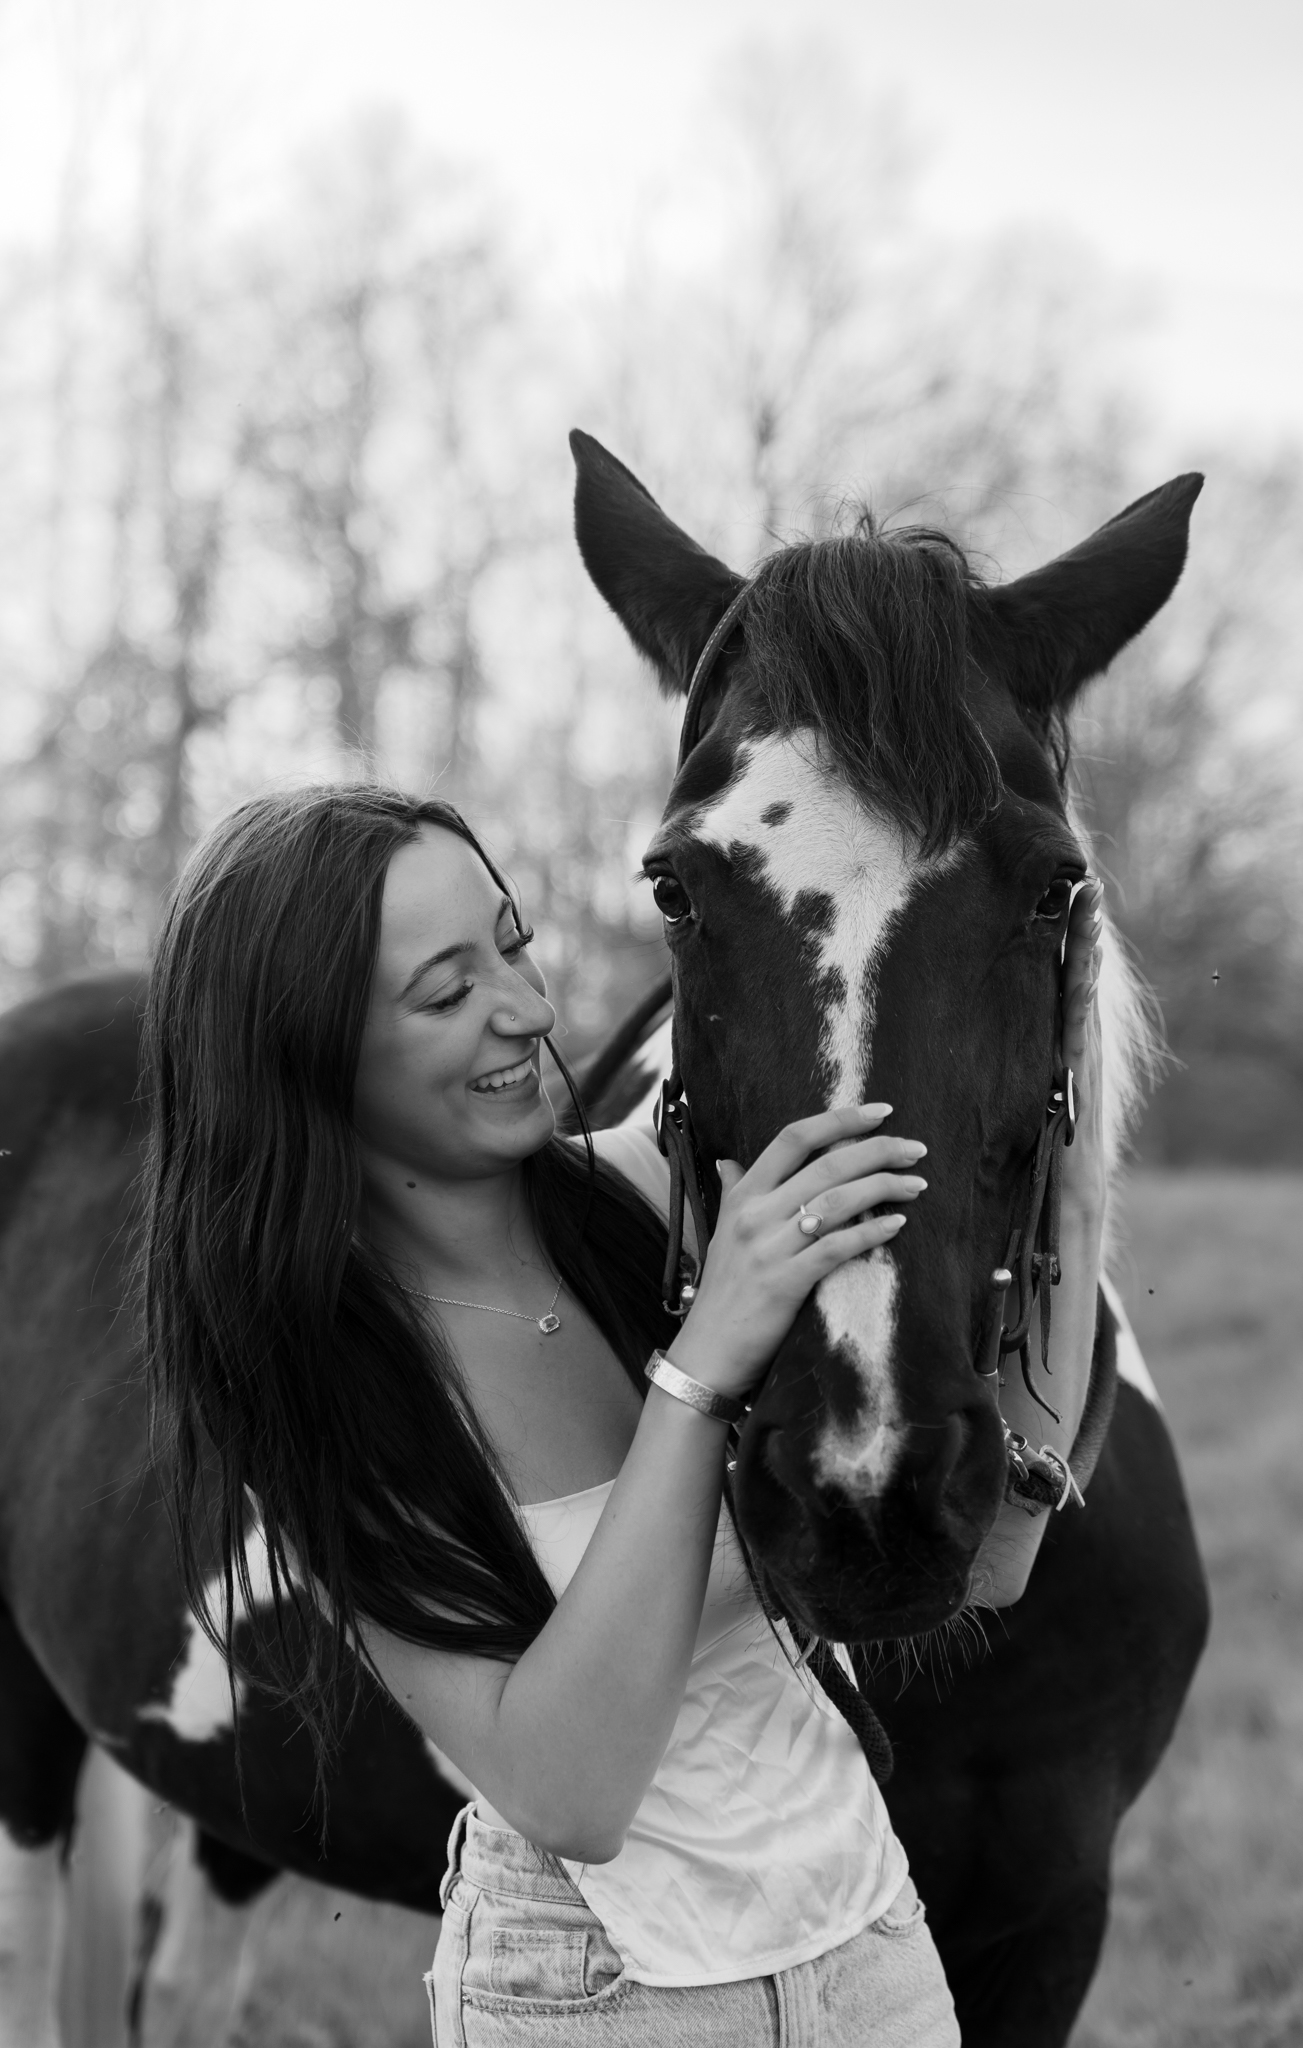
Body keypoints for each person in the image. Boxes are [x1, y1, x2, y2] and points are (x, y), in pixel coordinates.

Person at [141, 782, 1105, 2047]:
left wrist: (1070, 1152)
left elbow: (991, 1564)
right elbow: (568, 1785)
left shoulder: (662, 1203)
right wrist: (701, 1366)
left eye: (514, 940)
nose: (530, 1010)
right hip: (590, 1996)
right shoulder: (319, 1381)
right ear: (305, 1056)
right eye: (446, 992)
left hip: (869, 1939)